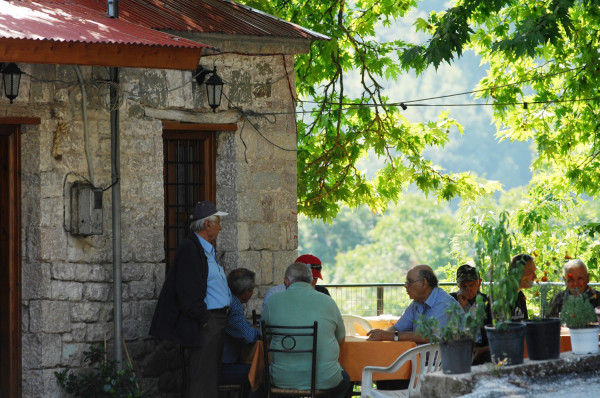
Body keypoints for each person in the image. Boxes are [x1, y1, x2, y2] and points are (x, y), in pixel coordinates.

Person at [149, 200, 231, 398]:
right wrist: (204, 320)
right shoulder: (190, 248)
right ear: (207, 224)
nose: (220, 227)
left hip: (215, 321)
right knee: (203, 381)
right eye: (218, 222)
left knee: (209, 378)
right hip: (208, 322)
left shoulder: (204, 249)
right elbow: (186, 291)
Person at [262, 262, 350, 397]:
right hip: (324, 379)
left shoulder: (272, 301)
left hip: (282, 378)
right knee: (345, 380)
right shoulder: (328, 301)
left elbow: (265, 337)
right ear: (311, 281)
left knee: (260, 376)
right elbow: (341, 338)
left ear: (286, 281)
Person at [367, 264, 459, 342]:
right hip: (421, 360)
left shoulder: (444, 303)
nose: (405, 286)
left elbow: (430, 335)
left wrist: (390, 336)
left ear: (424, 283)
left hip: (444, 362)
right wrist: (381, 334)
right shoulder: (417, 302)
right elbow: (397, 328)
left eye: (409, 282)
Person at [221, 268, 263, 398]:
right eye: (252, 289)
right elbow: (248, 336)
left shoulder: (228, 300)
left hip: (218, 364)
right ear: (245, 291)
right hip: (222, 368)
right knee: (261, 372)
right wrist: (262, 333)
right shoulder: (233, 305)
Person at [450, 263, 492, 365]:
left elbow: (495, 331)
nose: (468, 290)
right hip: (457, 347)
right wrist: (460, 308)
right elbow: (447, 329)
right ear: (458, 285)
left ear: (479, 283)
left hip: (482, 349)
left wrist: (482, 349)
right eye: (464, 286)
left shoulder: (488, 301)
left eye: (472, 285)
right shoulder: (451, 301)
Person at [261, 254, 329, 311]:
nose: (313, 283)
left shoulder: (322, 293)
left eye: (315, 279)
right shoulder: (274, 294)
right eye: (308, 280)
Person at [510, 253, 537, 322]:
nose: (535, 277)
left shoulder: (520, 296)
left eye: (534, 272)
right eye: (530, 272)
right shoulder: (502, 298)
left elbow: (526, 326)